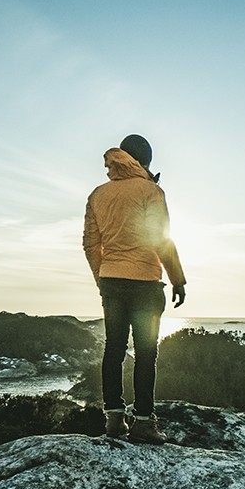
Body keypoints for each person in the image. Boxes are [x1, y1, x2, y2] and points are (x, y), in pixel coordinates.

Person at [82, 134, 187, 443]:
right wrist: (178, 278)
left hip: (111, 280)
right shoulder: (151, 190)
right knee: (145, 353)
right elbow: (160, 239)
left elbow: (90, 244)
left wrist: (102, 277)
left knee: (113, 349)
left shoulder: (98, 194)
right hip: (144, 283)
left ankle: (113, 419)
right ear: (145, 162)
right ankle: (143, 422)